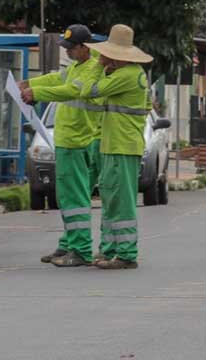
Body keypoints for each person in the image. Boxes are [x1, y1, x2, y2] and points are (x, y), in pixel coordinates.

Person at [26, 24, 152, 270]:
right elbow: (64, 80)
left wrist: (96, 65)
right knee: (111, 198)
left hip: (122, 146)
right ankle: (110, 250)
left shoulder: (126, 75)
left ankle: (125, 253)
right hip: (110, 144)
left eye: (107, 53)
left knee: (122, 202)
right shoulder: (114, 73)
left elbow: (88, 90)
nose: (102, 57)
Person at [20, 25, 105, 267]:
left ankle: (81, 250)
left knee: (76, 198)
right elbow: (58, 78)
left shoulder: (93, 69)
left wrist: (36, 92)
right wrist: (29, 82)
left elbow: (69, 90)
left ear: (84, 47)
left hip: (78, 141)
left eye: (71, 48)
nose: (67, 52)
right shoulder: (78, 66)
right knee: (67, 197)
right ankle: (68, 244)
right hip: (68, 140)